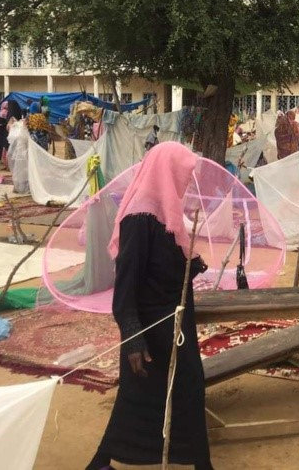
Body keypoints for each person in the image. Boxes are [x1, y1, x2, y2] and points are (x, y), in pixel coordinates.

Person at [86, 142, 213, 470]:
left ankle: (196, 461)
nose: (186, 182)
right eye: (183, 174)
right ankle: (104, 462)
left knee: (180, 391)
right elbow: (126, 285)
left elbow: (165, 263)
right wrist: (133, 337)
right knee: (145, 395)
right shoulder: (140, 217)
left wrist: (192, 264)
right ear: (167, 172)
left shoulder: (165, 211)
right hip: (150, 329)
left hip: (175, 324)